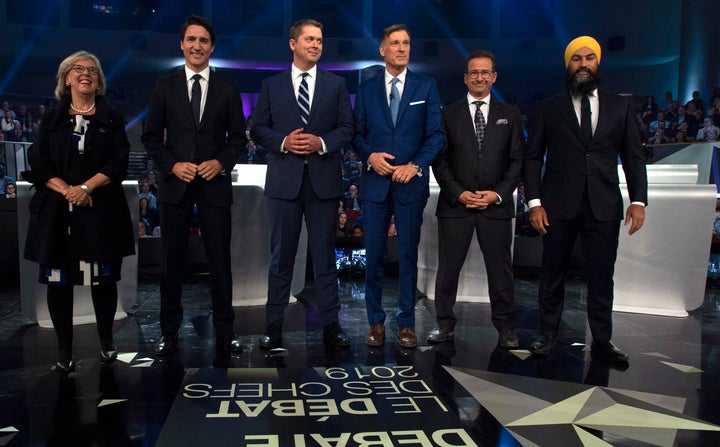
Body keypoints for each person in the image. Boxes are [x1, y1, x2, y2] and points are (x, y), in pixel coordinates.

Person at [522, 36, 648, 363]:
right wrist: (534, 203)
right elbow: (533, 158)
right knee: (552, 273)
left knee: (602, 274)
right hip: (557, 205)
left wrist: (639, 201)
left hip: (604, 205)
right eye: (576, 59)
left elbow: (633, 157)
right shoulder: (549, 108)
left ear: (598, 63)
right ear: (568, 65)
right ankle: (547, 335)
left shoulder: (621, 106)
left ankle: (603, 342)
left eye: (589, 58)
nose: (583, 64)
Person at [22, 50, 135, 373]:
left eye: (93, 71)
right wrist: (67, 190)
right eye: (78, 69)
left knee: (102, 279)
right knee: (59, 282)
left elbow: (118, 162)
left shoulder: (111, 119)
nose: (86, 74)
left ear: (99, 81)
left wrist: (86, 188)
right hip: (58, 213)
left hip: (99, 209)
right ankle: (64, 350)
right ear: (66, 78)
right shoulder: (52, 118)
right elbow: (39, 161)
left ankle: (106, 342)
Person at [142, 15, 246, 355]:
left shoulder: (227, 88)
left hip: (214, 184)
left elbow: (238, 140)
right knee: (170, 263)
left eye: (203, 40)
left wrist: (221, 162)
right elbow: (151, 136)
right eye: (191, 39)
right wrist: (172, 164)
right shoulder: (164, 85)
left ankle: (224, 332)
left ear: (212, 47)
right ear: (182, 44)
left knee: (220, 264)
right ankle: (169, 333)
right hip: (176, 185)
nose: (197, 46)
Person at [251, 18, 354, 350]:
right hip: (284, 183)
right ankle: (274, 325)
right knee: (282, 257)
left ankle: (331, 325)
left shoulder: (336, 85)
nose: (316, 45)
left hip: (323, 183)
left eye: (320, 40)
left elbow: (346, 129)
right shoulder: (271, 84)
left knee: (325, 258)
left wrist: (321, 142)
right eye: (309, 39)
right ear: (293, 44)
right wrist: (283, 142)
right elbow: (257, 128)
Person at [353, 23, 444, 349]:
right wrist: (371, 156)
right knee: (374, 256)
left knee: (407, 256)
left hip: (410, 185)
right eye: (395, 43)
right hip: (375, 184)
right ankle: (375, 322)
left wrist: (415, 165)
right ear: (383, 49)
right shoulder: (367, 90)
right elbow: (357, 135)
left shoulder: (426, 86)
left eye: (406, 43)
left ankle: (406, 323)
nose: (402, 48)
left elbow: (436, 135)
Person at [429, 50, 524, 348]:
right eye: (474, 72)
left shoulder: (511, 115)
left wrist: (496, 194)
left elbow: (517, 161)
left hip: (494, 207)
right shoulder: (448, 114)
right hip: (456, 205)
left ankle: (506, 327)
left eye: (485, 72)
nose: (479, 77)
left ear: (494, 76)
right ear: (466, 78)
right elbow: (439, 160)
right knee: (448, 269)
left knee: (501, 272)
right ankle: (444, 325)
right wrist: (459, 193)